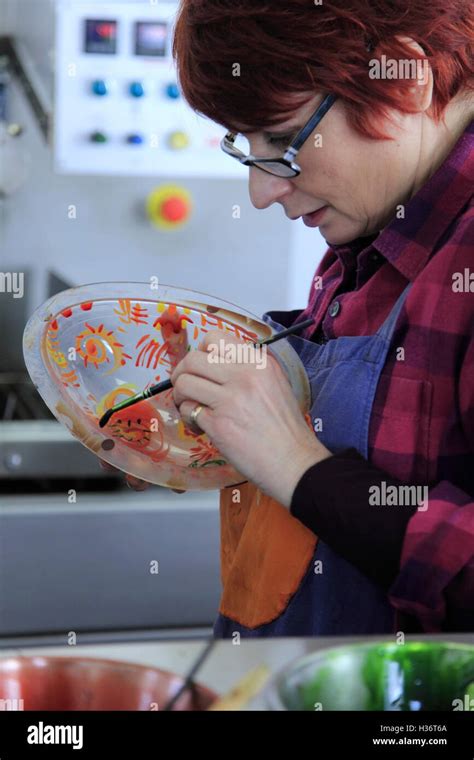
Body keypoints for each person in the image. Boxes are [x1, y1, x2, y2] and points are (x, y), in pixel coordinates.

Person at [108, 0, 474, 635]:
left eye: (281, 140)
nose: (260, 192)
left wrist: (296, 464)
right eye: (245, 146)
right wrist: (208, 433)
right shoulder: (375, 233)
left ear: (405, 80)